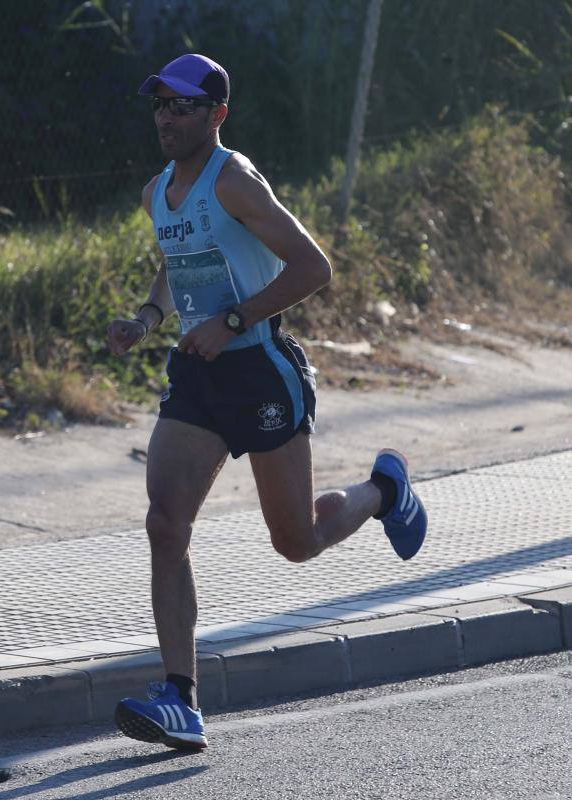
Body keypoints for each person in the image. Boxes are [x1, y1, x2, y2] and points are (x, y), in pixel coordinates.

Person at [108, 53, 427, 751]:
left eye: (183, 105)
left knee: (296, 542)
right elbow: (173, 264)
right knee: (165, 524)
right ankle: (180, 700)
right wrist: (147, 319)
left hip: (259, 372)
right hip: (196, 377)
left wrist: (231, 323)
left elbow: (314, 266)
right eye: (159, 104)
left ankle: (383, 489)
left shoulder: (236, 181)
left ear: (216, 114)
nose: (166, 116)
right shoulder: (156, 191)